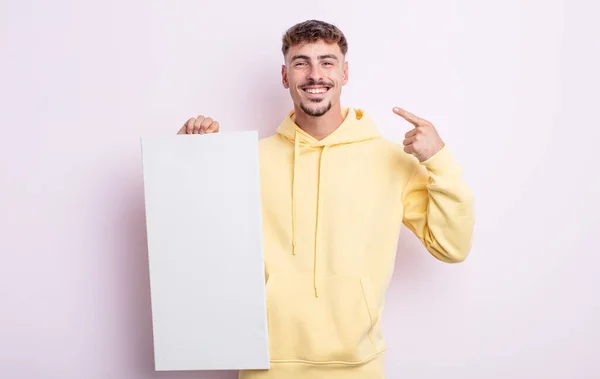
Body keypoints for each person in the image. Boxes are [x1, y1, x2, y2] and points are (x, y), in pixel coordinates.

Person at [177, 19, 475, 379]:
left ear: (344, 72)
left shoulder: (391, 160)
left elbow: (452, 246)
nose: (315, 74)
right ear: (286, 76)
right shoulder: (249, 161)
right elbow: (196, 246)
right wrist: (189, 163)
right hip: (265, 367)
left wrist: (437, 158)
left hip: (359, 367)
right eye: (301, 62)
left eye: (327, 61)